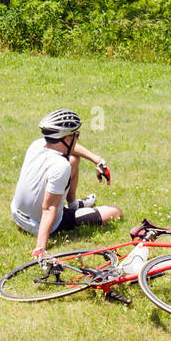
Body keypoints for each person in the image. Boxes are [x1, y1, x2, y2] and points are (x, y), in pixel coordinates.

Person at [11, 109, 121, 258]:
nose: (77, 139)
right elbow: (49, 208)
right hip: (38, 223)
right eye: (77, 135)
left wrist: (98, 160)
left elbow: (74, 150)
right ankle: (72, 211)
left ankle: (74, 204)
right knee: (115, 211)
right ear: (68, 139)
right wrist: (40, 248)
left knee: (74, 158)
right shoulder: (60, 166)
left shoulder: (36, 145)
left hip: (18, 216)